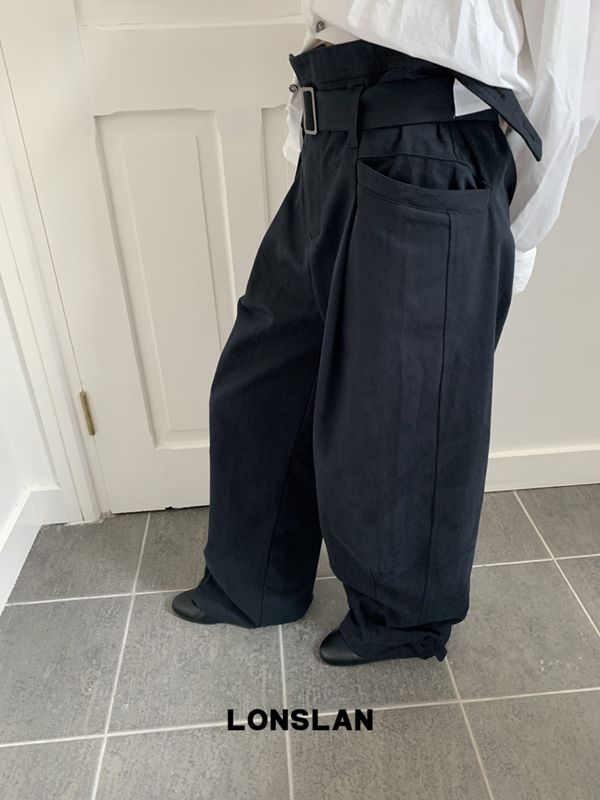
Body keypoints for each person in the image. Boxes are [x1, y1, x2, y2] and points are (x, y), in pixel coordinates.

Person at [172, 3, 599, 666]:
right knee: (265, 375)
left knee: (406, 409)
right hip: (330, 133)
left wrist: (513, 232)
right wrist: (311, 148)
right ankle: (254, 580)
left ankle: (401, 621)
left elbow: (565, 81)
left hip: (432, 139)